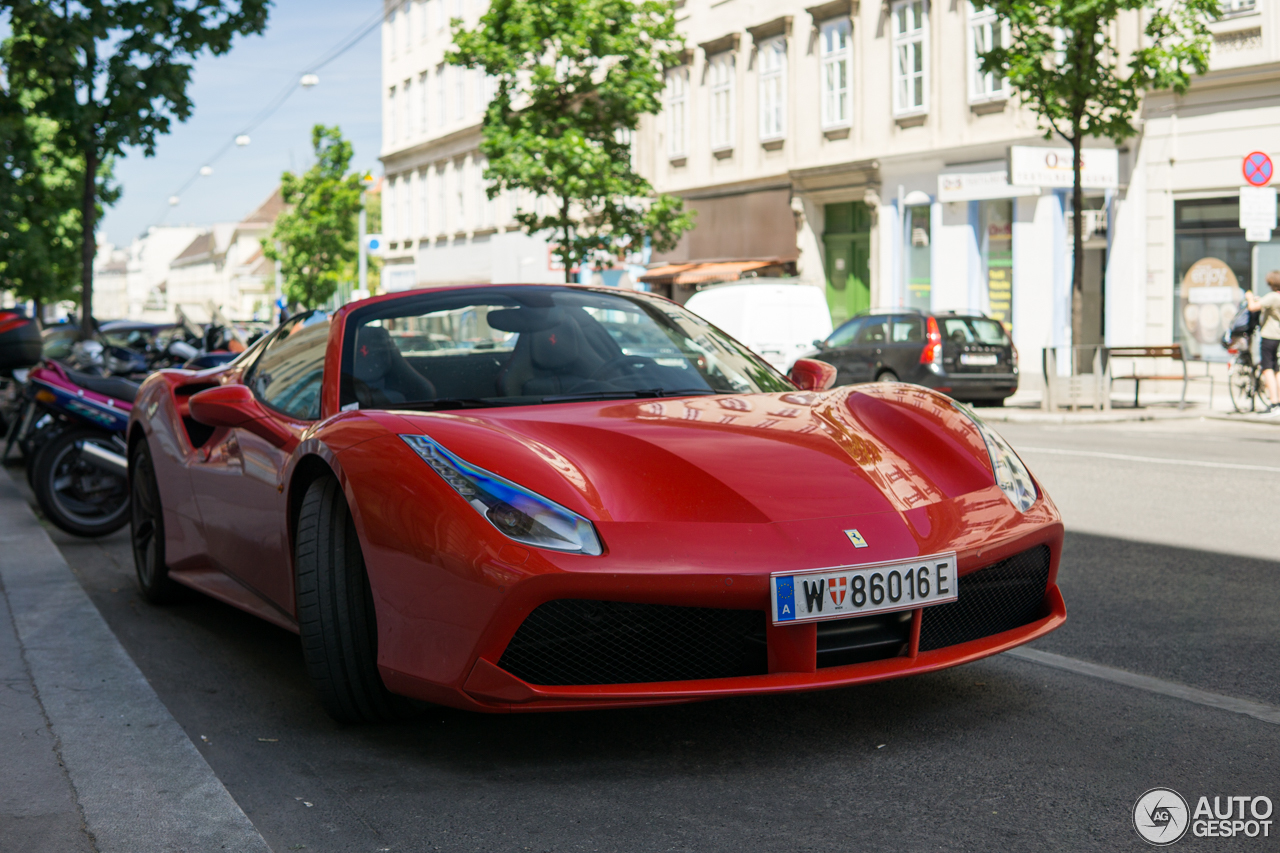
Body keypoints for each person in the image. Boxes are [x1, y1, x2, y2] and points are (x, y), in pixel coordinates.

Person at [1245, 270, 1280, 413]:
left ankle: (1273, 402)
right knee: (1277, 369)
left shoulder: (1272, 297)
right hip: (1278, 336)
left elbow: (1253, 307)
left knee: (1267, 368)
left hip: (1269, 336)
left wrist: (1249, 297)